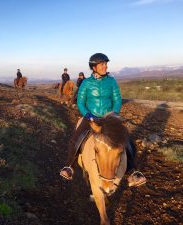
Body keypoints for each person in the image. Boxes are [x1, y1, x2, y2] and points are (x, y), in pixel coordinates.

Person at [59, 53, 146, 187]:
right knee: (77, 138)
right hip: (91, 117)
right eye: (102, 64)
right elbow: (80, 102)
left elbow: (117, 99)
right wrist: (88, 115)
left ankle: (133, 171)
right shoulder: (86, 83)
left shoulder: (111, 81)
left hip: (109, 118)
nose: (105, 66)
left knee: (126, 139)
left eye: (106, 64)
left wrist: (114, 114)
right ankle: (70, 166)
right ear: (94, 67)